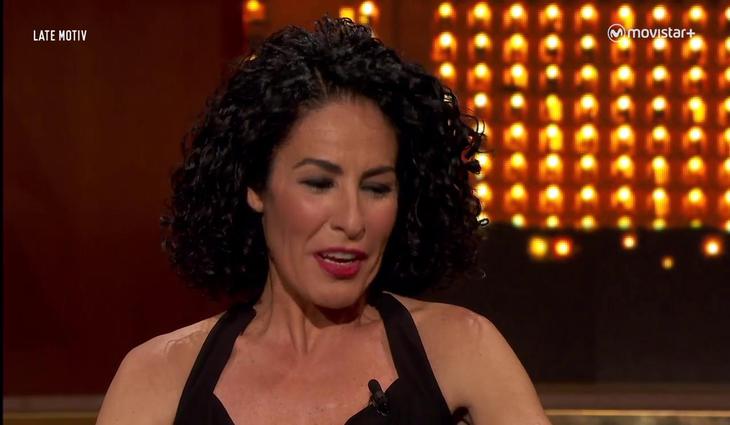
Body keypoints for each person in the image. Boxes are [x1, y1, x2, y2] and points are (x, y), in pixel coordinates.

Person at [96, 16, 551, 425]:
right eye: (318, 183)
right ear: (256, 185)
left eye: (377, 188)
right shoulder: (158, 378)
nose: (352, 221)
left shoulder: (463, 351)